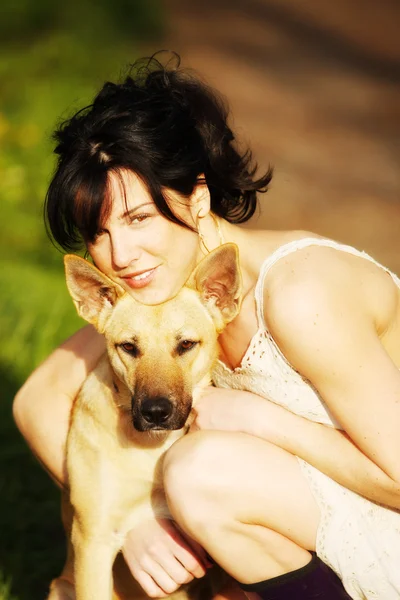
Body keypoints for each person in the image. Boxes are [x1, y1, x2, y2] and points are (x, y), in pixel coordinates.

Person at [13, 53, 400, 600]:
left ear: (196, 198)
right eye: (97, 233)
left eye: (138, 218)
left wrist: (262, 419)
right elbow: (38, 398)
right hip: (308, 515)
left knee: (201, 473)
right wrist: (130, 524)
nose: (120, 254)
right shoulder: (161, 300)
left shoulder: (301, 295)